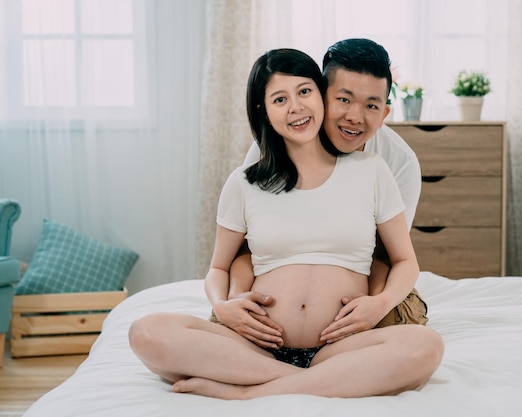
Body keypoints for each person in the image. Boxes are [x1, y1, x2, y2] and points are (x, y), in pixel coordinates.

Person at [129, 48, 443, 399]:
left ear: (318, 95)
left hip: (341, 346)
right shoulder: (244, 182)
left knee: (425, 346)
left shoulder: (374, 169)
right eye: (280, 99)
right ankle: (311, 379)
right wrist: (223, 305)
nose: (296, 107)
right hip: (258, 345)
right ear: (264, 110)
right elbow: (220, 265)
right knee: (147, 332)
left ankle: (252, 390)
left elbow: (402, 260)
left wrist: (378, 305)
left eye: (304, 92)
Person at [221, 38, 427, 349]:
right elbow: (245, 250)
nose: (354, 117)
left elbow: (387, 257)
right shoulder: (272, 151)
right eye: (343, 100)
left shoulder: (396, 164)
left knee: (415, 345)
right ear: (320, 95)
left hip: (368, 286)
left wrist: (370, 310)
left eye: (370, 105)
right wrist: (237, 299)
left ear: (384, 112)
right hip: (271, 300)